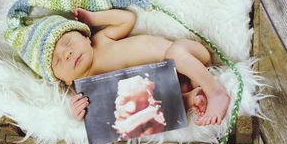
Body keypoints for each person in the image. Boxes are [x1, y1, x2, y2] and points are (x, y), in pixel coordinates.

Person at [54, 8, 230, 126]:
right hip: (177, 85)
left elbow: (127, 19)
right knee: (147, 103)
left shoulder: (100, 41)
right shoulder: (90, 88)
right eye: (57, 61)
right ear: (66, 80)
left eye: (68, 42)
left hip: (188, 57)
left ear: (85, 36)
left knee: (174, 54)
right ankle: (193, 98)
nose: (66, 54)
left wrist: (93, 18)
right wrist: (79, 113)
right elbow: (112, 116)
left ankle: (215, 91)